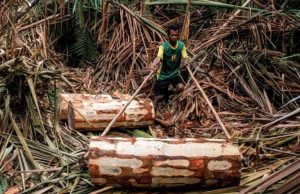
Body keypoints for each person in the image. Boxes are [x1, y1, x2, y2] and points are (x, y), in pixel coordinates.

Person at [151, 25, 189, 107]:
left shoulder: (181, 46)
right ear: (168, 35)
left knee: (181, 87)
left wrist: (186, 62)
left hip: (175, 73)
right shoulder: (163, 47)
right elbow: (158, 58)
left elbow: (185, 57)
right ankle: (154, 110)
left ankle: (168, 93)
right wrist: (153, 65)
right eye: (172, 35)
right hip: (163, 75)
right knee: (158, 97)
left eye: (176, 35)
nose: (174, 37)